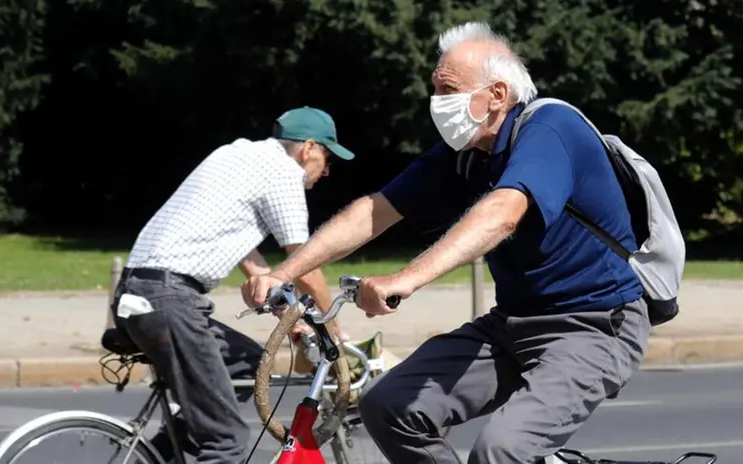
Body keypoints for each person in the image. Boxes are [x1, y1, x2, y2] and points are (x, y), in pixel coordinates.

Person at [241, 21, 651, 464]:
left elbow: (501, 214)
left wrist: (405, 280)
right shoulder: (464, 155)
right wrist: (284, 272)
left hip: (594, 325)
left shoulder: (551, 128)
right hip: (512, 325)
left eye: (448, 89)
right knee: (389, 406)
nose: (436, 102)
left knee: (501, 452)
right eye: (434, 89)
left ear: (497, 94)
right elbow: (374, 211)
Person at [111, 106, 355, 463]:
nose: (327, 170)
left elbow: (252, 263)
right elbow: (304, 264)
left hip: (142, 292)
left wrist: (294, 321)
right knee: (226, 441)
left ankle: (162, 452)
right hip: (170, 301)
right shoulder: (283, 172)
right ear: (309, 148)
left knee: (249, 364)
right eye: (328, 158)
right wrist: (333, 333)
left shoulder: (236, 154)